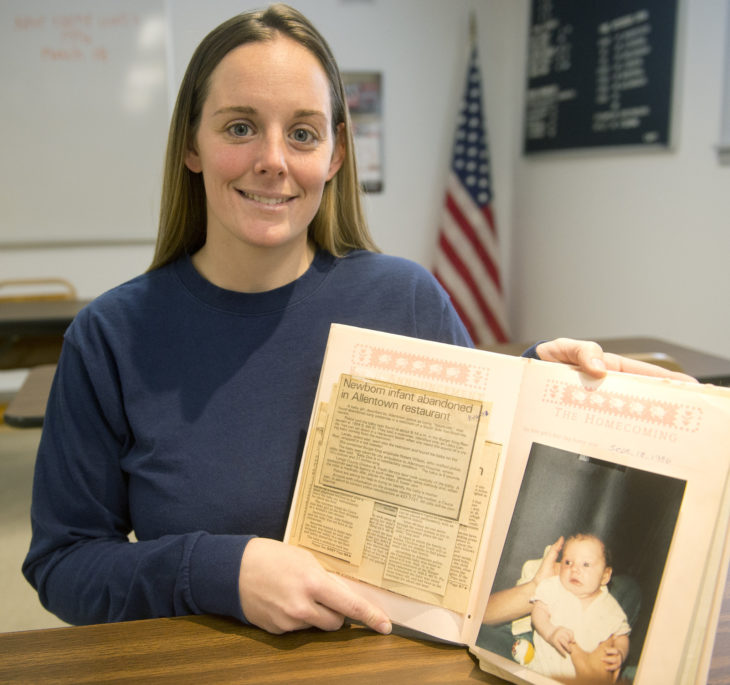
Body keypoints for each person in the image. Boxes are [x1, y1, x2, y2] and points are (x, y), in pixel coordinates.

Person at [22, 4, 694, 635]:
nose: (274, 160)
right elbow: (65, 564)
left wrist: (550, 392)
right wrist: (219, 570)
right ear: (192, 145)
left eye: (303, 133)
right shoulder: (110, 338)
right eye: (239, 126)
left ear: (336, 156)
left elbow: (480, 463)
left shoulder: (405, 299)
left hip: (392, 657)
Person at [529, 534, 630, 680]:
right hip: (543, 672)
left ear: (605, 576)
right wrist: (551, 633)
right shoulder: (554, 587)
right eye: (568, 562)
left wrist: (620, 653)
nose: (575, 569)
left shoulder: (610, 607)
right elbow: (538, 613)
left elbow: (621, 636)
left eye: (586, 564)